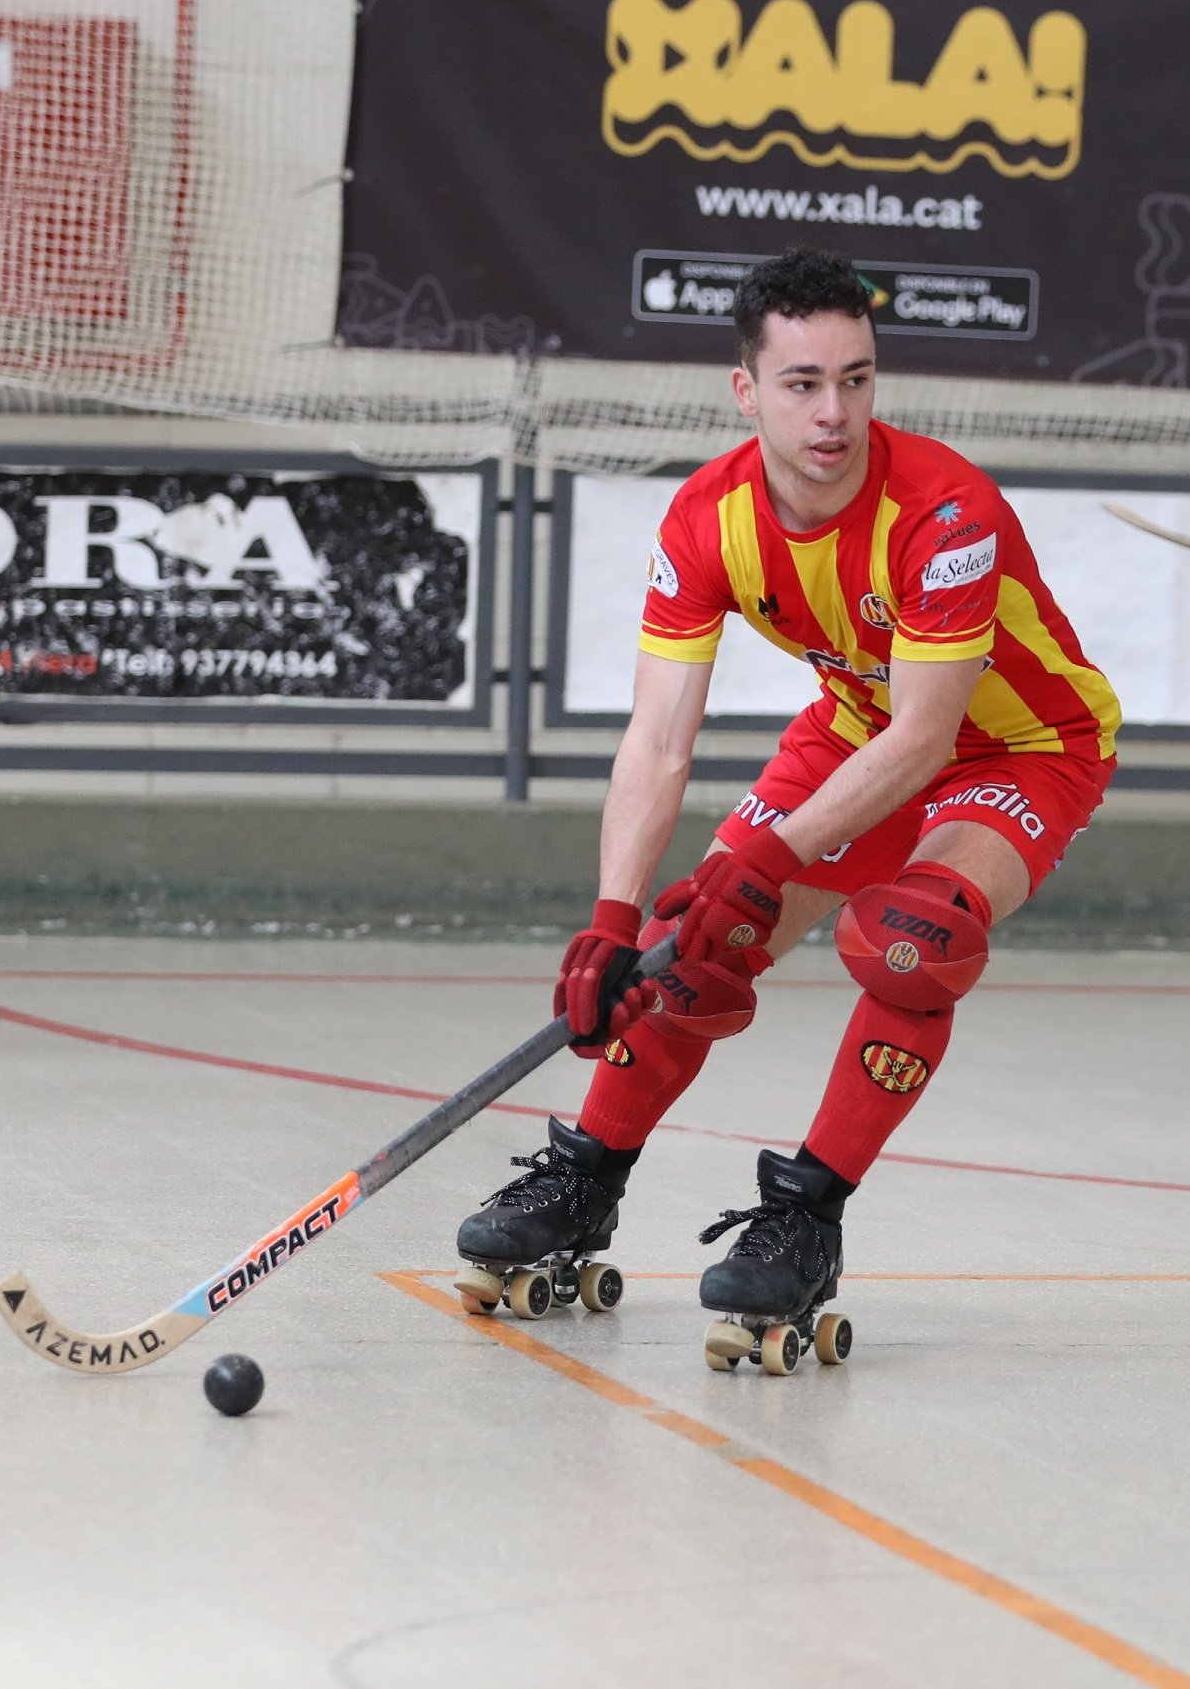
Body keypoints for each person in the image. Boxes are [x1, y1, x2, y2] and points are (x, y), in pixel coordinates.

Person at [455, 246, 1121, 1362]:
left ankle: (804, 1218)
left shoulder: (945, 513)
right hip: (857, 735)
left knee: (917, 940)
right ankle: (583, 1182)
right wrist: (615, 921)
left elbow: (926, 739)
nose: (833, 412)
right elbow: (658, 739)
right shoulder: (707, 519)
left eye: (855, 379)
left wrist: (767, 860)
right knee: (687, 947)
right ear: (745, 389)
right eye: (803, 383)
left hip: (1016, 747)